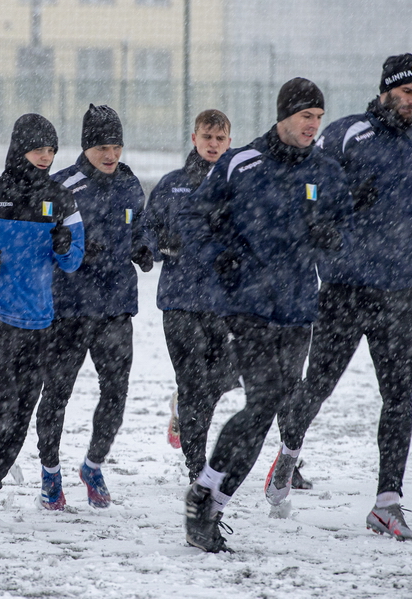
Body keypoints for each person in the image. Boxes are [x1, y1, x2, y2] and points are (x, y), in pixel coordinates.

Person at [266, 54, 412, 542]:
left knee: (399, 397)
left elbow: (405, 195)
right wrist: (331, 214)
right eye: (407, 94)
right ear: (386, 90)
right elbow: (309, 187)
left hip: (403, 286)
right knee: (318, 385)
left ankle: (387, 502)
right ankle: (289, 450)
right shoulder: (345, 133)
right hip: (346, 287)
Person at [180, 78, 353, 553]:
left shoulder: (324, 169)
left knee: (265, 411)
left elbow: (343, 221)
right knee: (263, 402)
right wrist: (222, 256)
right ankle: (205, 495)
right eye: (305, 117)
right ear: (284, 116)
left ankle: (209, 502)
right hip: (250, 304)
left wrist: (331, 235)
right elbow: (195, 216)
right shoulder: (242, 162)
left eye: (318, 118)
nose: (313, 126)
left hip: (298, 307)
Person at [0, 113, 85, 526]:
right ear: (18, 149)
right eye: (37, 149)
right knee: (0, 407)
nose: (45, 157)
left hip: (39, 323)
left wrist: (64, 245)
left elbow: (74, 259)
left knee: (20, 420)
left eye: (51, 150)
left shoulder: (61, 200)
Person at [34, 104, 151, 510]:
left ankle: (93, 464)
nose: (111, 155)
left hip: (116, 308)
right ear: (86, 147)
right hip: (68, 311)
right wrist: (70, 248)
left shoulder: (131, 185)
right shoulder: (62, 186)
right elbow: (41, 242)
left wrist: (144, 248)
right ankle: (50, 474)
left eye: (117, 146)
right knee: (57, 394)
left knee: (116, 392)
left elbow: (142, 229)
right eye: (102, 146)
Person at [142, 109, 239, 482]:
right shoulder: (172, 185)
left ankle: (185, 412)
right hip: (180, 301)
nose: (213, 144)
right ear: (195, 139)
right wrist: (154, 246)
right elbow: (148, 231)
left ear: (229, 142)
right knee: (194, 380)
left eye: (220, 138)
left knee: (219, 382)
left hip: (224, 303)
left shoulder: (239, 184)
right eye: (207, 137)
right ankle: (197, 466)